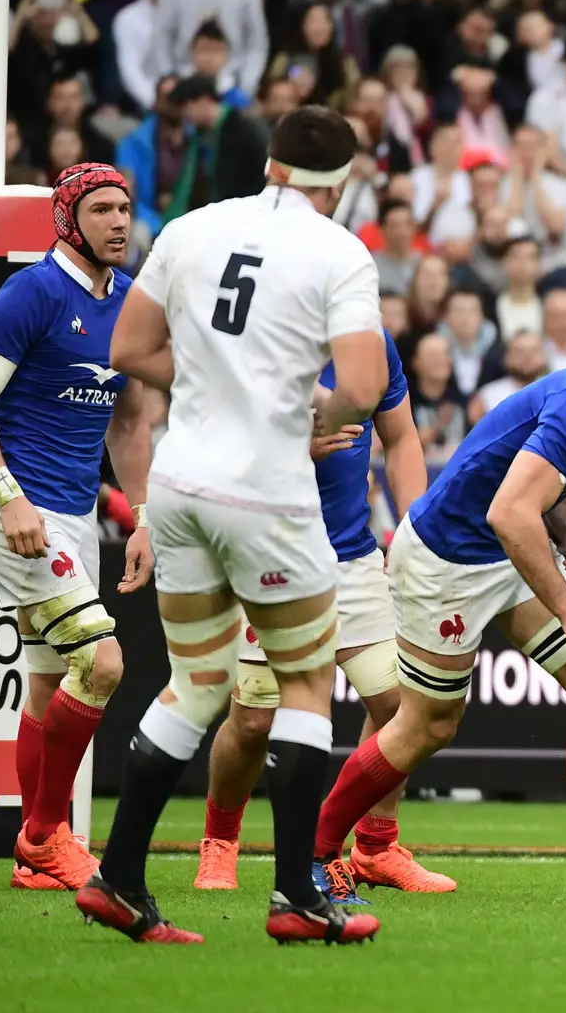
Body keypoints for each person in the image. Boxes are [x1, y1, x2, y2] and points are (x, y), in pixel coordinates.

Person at [308, 298, 566, 915]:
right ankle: (311, 855)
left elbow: (559, 480)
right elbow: (508, 511)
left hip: (506, 547)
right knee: (429, 725)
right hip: (448, 556)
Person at [89, 108, 390, 946]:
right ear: (340, 181)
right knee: (302, 686)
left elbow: (128, 348)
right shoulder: (339, 251)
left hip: (181, 485)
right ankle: (297, 894)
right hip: (266, 492)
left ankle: (117, 879)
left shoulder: (191, 227)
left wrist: (224, 391)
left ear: (270, 163)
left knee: (198, 683)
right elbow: (362, 383)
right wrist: (306, 413)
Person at [189, 327, 446, 898]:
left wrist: (412, 528)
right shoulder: (257, 334)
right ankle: (220, 840)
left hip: (353, 560)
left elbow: (401, 439)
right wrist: (292, 450)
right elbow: (210, 453)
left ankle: (375, 846)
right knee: (255, 719)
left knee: (399, 706)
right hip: (271, 554)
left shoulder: (370, 342)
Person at [0, 166, 154, 892]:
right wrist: (10, 500)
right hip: (17, 511)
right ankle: (43, 836)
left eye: (124, 207)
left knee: (47, 680)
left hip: (75, 514)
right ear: (68, 218)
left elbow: (127, 420)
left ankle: (36, 852)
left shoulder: (129, 304)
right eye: (101, 209)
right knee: (105, 663)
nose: (118, 221)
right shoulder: (29, 295)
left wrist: (144, 515)